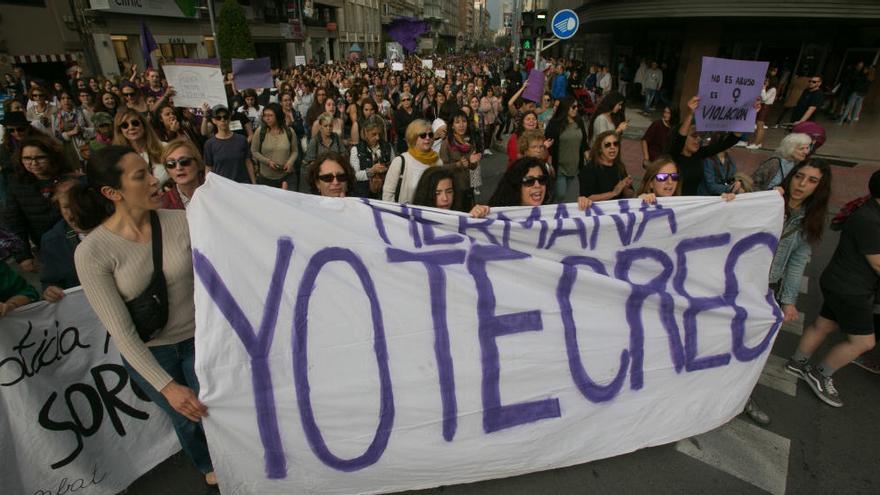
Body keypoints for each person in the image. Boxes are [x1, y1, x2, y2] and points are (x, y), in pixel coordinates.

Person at [70, 146, 218, 491]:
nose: (155, 180)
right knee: (187, 418)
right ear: (112, 192)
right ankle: (209, 467)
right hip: (154, 354)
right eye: (141, 176)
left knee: (216, 412)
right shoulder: (92, 253)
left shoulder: (182, 221)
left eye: (151, 171)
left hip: (202, 339)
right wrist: (166, 386)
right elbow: (122, 333)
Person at [785, 169, 880, 408]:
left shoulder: (867, 211)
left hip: (839, 283)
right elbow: (878, 262)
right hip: (852, 290)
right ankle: (820, 373)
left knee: (824, 324)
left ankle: (797, 363)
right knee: (864, 343)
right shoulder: (870, 220)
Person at [4, 135, 77, 273]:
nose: (33, 163)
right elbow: (15, 222)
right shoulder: (17, 184)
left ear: (51, 156)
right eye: (27, 158)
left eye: (40, 157)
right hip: (46, 248)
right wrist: (23, 256)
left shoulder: (70, 180)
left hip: (77, 242)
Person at [669, 96, 743, 196]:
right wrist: (690, 114)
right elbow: (680, 139)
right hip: (675, 204)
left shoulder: (698, 154)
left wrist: (746, 116)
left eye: (700, 136)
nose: (698, 139)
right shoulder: (673, 156)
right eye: (694, 136)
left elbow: (729, 141)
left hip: (694, 204)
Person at [40, 179, 86, 302]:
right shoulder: (52, 241)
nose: (72, 214)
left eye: (79, 206)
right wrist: (50, 291)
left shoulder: (120, 229)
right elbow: (50, 281)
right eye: (66, 207)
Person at [382, 119, 441, 204]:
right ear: (413, 137)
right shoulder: (400, 162)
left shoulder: (438, 161)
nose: (427, 138)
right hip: (403, 215)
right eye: (423, 135)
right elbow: (388, 196)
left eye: (430, 135)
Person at [545, 98, 588, 202]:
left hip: (574, 166)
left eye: (577, 106)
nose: (576, 109)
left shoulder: (579, 122)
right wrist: (550, 164)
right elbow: (548, 146)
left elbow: (584, 143)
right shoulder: (554, 125)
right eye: (573, 107)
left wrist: (587, 155)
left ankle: (552, 204)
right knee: (561, 194)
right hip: (559, 167)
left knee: (559, 194)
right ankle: (552, 207)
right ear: (565, 108)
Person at [112, 108, 168, 187]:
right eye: (125, 125)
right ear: (120, 131)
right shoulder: (118, 159)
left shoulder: (165, 148)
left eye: (135, 123)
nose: (131, 127)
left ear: (144, 125)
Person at [439, 111, 482, 211]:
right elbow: (442, 168)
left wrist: (473, 163)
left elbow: (473, 168)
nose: (461, 125)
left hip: (468, 186)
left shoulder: (469, 141)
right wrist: (458, 164)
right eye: (457, 122)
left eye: (464, 121)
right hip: (454, 189)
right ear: (452, 126)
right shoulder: (447, 143)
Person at [203, 105, 256, 185]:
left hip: (242, 185)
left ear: (230, 118)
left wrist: (254, 183)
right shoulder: (209, 144)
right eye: (218, 118)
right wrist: (208, 186)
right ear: (214, 120)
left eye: (225, 117)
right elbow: (208, 168)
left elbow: (248, 162)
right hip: (222, 187)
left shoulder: (241, 139)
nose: (223, 120)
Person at [578, 130, 634, 202]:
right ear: (600, 149)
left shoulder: (620, 166)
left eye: (615, 144)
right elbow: (587, 198)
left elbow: (630, 195)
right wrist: (613, 193)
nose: (612, 147)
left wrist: (626, 188)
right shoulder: (589, 169)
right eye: (607, 145)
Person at [251, 103, 298, 188]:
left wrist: (290, 162)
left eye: (270, 115)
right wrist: (267, 162)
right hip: (266, 178)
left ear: (278, 116)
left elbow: (295, 151)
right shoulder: (260, 131)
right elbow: (254, 151)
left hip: (286, 177)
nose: (267, 118)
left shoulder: (289, 131)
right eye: (265, 115)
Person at [411, 166, 490, 217]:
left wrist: (473, 217)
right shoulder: (413, 222)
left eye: (449, 192)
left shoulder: (462, 212)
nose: (445, 198)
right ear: (426, 194)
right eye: (437, 193)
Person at [350, 115, 393, 198]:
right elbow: (354, 176)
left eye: (379, 134)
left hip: (384, 191)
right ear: (366, 133)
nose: (377, 137)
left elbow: (394, 169)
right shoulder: (356, 149)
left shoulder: (388, 147)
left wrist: (386, 169)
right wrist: (372, 171)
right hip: (363, 193)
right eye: (374, 134)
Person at [303, 113, 345, 188]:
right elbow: (309, 162)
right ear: (320, 126)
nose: (328, 128)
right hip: (322, 177)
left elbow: (343, 153)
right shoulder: (314, 141)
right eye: (325, 126)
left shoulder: (336, 137)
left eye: (331, 126)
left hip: (336, 174)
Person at [160, 138, 204, 209]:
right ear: (167, 171)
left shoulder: (216, 189)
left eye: (184, 161)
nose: (178, 168)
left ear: (198, 163)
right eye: (171, 163)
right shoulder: (163, 204)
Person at [747, 77, 777, 150]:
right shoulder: (769, 88)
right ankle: (758, 143)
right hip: (763, 107)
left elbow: (764, 98)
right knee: (759, 126)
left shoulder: (773, 89)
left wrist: (763, 89)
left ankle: (756, 144)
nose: (765, 82)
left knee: (760, 127)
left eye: (767, 80)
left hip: (765, 108)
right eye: (765, 80)